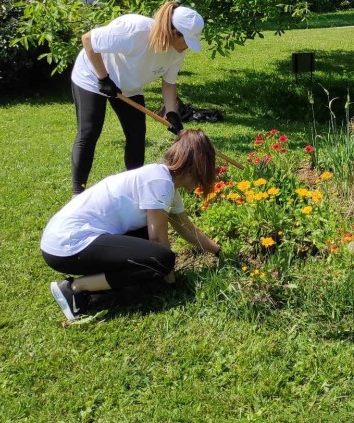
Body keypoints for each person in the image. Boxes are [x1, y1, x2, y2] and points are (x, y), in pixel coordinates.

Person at [42, 129, 221, 321]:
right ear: (194, 167)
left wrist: (218, 251)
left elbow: (187, 229)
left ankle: (107, 285)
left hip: (65, 241)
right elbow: (158, 240)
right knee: (160, 259)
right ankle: (74, 288)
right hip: (67, 245)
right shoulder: (159, 182)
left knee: (153, 254)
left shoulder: (164, 182)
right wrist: (169, 280)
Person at [69, 1, 205, 194]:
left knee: (136, 136)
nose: (188, 47)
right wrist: (104, 78)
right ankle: (78, 193)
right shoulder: (135, 31)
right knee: (89, 132)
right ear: (174, 32)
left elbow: (168, 83)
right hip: (93, 76)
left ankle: (133, 189)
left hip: (129, 86)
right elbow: (88, 40)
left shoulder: (177, 51)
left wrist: (172, 113)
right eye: (187, 41)